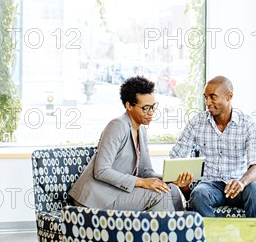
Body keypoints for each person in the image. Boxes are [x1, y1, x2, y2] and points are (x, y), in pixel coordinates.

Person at [69, 75, 192, 211]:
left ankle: (183, 230)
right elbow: (101, 170)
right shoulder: (117, 126)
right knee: (159, 196)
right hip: (96, 197)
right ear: (129, 106)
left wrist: (168, 179)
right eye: (145, 108)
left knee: (172, 189)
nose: (151, 113)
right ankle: (165, 232)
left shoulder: (141, 130)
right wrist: (141, 182)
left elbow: (146, 172)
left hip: (116, 192)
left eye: (153, 107)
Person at [169, 76, 256, 217]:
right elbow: (175, 157)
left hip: (238, 184)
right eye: (205, 97)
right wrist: (179, 177)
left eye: (213, 97)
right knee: (198, 194)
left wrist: (242, 183)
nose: (208, 102)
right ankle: (212, 238)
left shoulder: (247, 124)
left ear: (229, 96)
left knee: (254, 191)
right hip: (210, 186)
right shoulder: (197, 122)